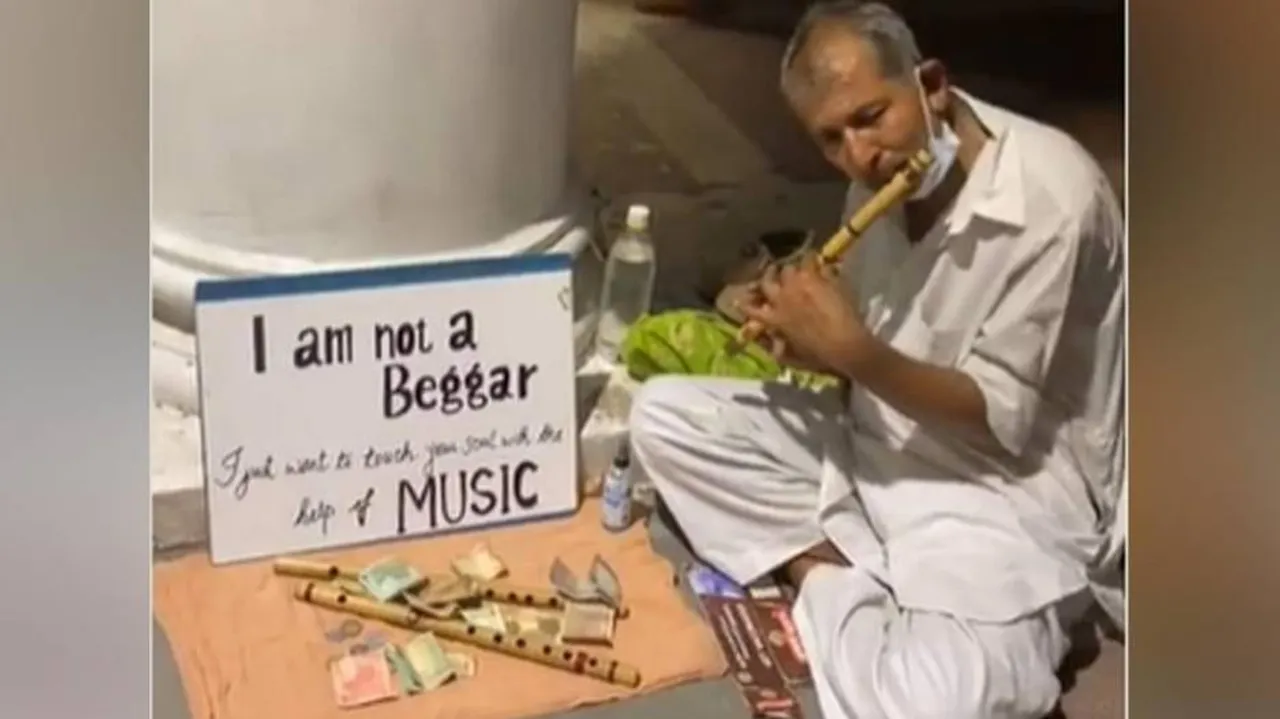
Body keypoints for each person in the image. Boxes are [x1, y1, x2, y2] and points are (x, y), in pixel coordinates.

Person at [628, 2, 1125, 718]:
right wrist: (809, 345)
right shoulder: (876, 181)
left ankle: (831, 580)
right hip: (880, 442)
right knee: (665, 417)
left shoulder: (1050, 199)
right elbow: (872, 352)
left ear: (932, 86)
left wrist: (850, 350)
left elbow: (1001, 418)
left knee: (944, 705)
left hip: (1003, 493)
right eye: (831, 138)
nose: (859, 155)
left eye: (871, 117)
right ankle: (839, 572)